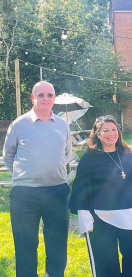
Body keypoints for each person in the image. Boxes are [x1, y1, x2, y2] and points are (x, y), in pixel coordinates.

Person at [3, 81, 72, 277]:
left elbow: (66, 154)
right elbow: (9, 156)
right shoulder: (19, 124)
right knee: (25, 244)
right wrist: (27, 175)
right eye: (41, 95)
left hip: (57, 191)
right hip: (25, 194)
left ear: (54, 99)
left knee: (58, 243)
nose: (46, 98)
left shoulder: (63, 125)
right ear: (32, 98)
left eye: (50, 95)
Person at [69, 116, 132, 277]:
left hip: (130, 216)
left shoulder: (126, 152)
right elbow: (81, 188)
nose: (111, 134)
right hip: (102, 219)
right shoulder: (90, 158)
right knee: (107, 266)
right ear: (98, 134)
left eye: (114, 130)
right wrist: (85, 217)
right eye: (105, 130)